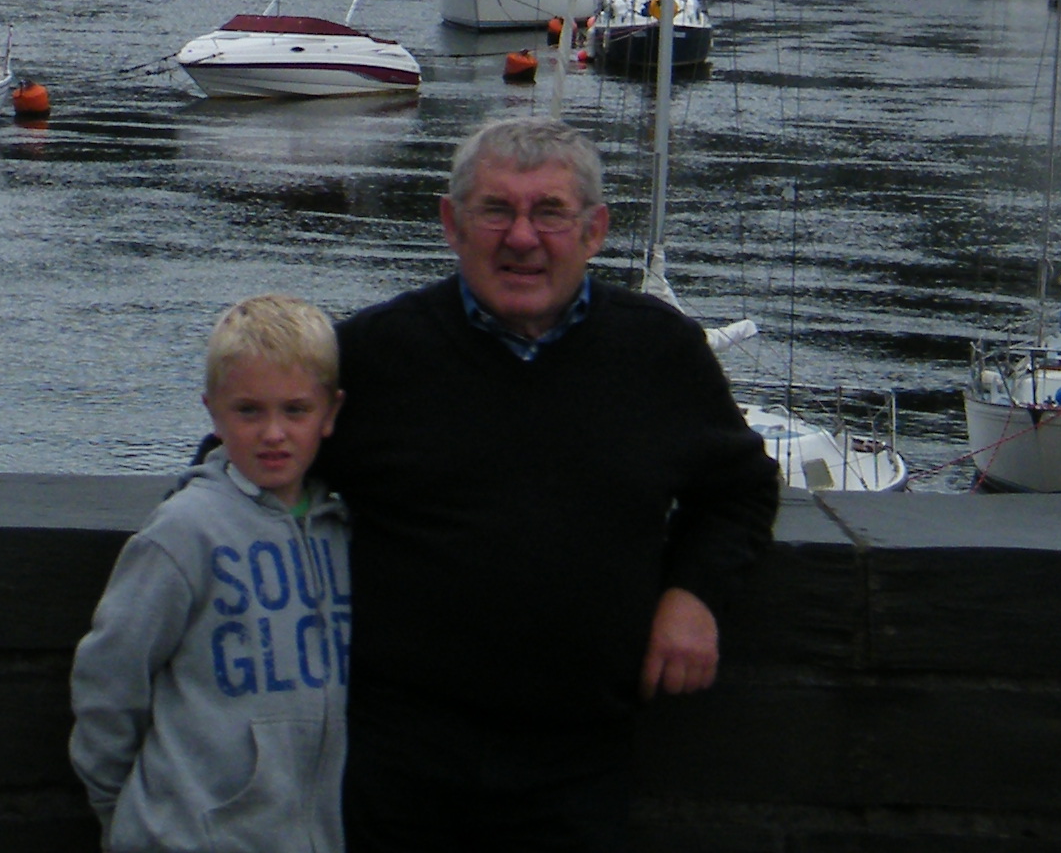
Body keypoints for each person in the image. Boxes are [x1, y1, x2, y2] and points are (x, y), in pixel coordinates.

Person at [313, 115, 779, 852]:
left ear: (594, 231)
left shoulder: (657, 352)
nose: (522, 237)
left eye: (550, 212)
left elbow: (739, 490)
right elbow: (251, 470)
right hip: (396, 760)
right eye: (496, 210)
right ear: (451, 224)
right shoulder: (372, 354)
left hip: (580, 761)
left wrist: (694, 594)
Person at [71, 293, 356, 853]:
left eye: (295, 410)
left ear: (330, 413)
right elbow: (110, 681)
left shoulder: (345, 531)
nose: (273, 432)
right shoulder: (184, 531)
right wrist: (121, 813)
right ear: (213, 413)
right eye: (249, 411)